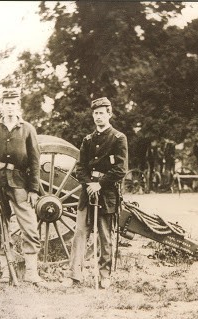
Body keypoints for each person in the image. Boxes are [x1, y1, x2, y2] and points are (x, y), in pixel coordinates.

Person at [63, 97, 128, 289]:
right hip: (87, 194)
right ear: (93, 116)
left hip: (106, 194)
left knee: (105, 236)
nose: (99, 117)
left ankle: (104, 275)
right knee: (79, 234)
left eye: (102, 113)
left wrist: (99, 184)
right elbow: (80, 168)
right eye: (96, 113)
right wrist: (90, 183)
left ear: (109, 114)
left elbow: (121, 169)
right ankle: (75, 275)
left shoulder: (118, 138)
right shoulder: (88, 140)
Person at [0, 88, 43, 284]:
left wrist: (33, 189)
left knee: (29, 226)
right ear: (2, 106)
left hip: (20, 184)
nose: (9, 107)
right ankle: (7, 270)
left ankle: (32, 272)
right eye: (6, 103)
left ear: (18, 106)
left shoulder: (27, 129)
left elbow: (34, 161)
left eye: (13, 103)